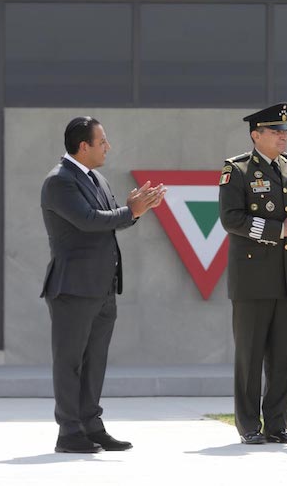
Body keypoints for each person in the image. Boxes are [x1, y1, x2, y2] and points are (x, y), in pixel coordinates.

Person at [40, 117, 165, 453]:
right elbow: (89, 221)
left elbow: (112, 222)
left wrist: (135, 209)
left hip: (102, 287)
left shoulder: (97, 179)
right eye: (102, 141)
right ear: (84, 146)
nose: (107, 147)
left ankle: (91, 426)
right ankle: (69, 432)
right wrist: (131, 209)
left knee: (95, 362)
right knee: (70, 362)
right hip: (73, 288)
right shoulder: (59, 182)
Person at [218, 103, 287, 445]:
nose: (283, 136)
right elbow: (231, 219)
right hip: (252, 278)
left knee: (284, 358)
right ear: (256, 135)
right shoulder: (237, 170)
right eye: (276, 131)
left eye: (286, 131)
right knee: (249, 356)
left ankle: (277, 424)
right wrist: (281, 229)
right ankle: (249, 425)